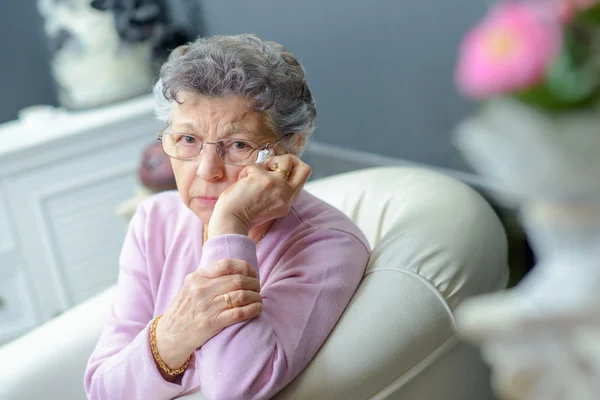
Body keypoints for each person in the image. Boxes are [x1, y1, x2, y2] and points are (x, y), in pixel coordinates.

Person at [84, 34, 370, 400]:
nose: (207, 170)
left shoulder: (328, 245)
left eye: (238, 145)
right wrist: (176, 334)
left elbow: (235, 388)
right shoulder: (154, 220)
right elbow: (102, 389)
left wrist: (229, 225)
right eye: (187, 139)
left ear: (291, 146)